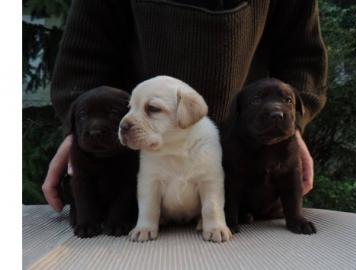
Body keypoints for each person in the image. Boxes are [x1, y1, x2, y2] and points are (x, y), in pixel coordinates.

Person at [42, 0, 328, 212]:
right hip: (134, 175)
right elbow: (85, 57)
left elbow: (301, 57)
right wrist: (83, 132)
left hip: (247, 174)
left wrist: (291, 128)